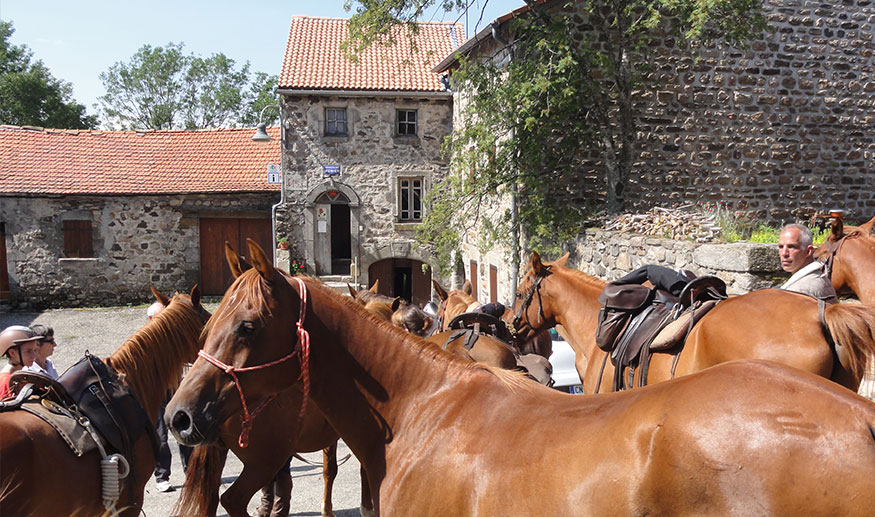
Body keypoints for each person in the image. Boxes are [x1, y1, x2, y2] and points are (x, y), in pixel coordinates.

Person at [147, 301, 193, 492]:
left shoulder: (174, 337)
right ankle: (162, 477)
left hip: (177, 389)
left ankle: (192, 474)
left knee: (185, 433)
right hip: (157, 392)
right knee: (160, 437)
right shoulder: (147, 340)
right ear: (151, 319)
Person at [777, 223, 838, 304]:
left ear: (808, 251)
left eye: (791, 247)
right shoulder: (819, 278)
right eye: (781, 247)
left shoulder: (799, 290)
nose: (784, 253)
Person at [0, 326, 42, 400]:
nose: (34, 355)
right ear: (12, 353)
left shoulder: (21, 376)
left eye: (34, 350)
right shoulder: (5, 380)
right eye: (28, 351)